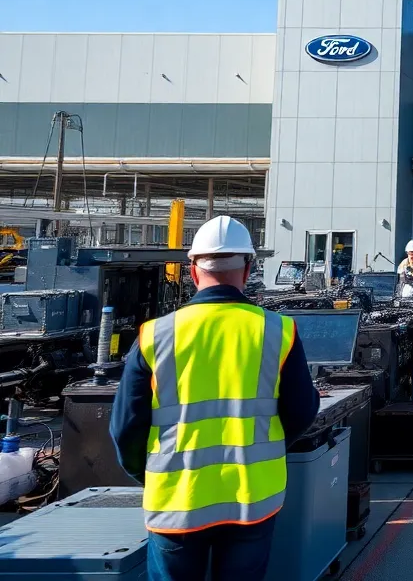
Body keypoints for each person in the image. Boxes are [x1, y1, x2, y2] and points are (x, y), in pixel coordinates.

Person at [110, 216, 320, 581]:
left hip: (176, 500)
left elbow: (125, 427)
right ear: (248, 268)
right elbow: (302, 412)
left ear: (192, 271)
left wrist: (149, 476)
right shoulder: (278, 331)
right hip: (251, 496)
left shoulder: (154, 335)